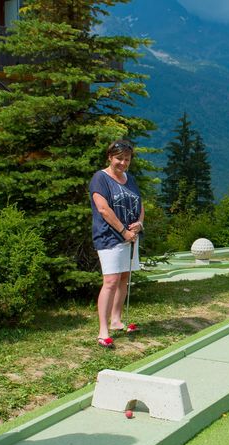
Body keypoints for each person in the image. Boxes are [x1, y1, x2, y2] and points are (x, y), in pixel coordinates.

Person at [89, 139, 144, 348]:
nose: (123, 163)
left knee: (124, 278)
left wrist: (138, 224)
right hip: (109, 237)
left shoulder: (130, 179)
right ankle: (103, 330)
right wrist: (123, 232)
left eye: (127, 159)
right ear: (110, 157)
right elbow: (103, 209)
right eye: (119, 158)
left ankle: (116, 320)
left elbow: (140, 203)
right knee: (111, 281)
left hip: (130, 235)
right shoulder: (100, 179)